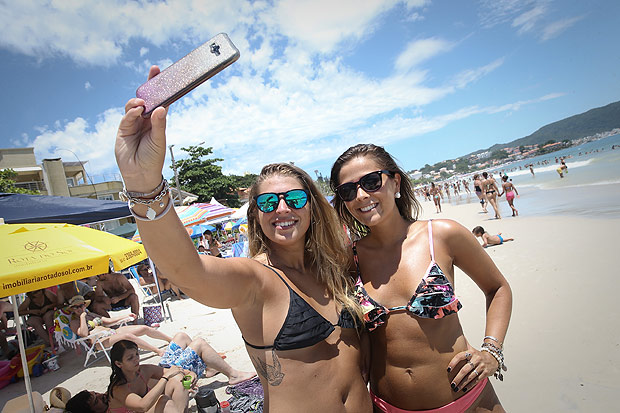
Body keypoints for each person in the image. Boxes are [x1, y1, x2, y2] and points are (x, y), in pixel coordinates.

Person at [114, 71, 372, 412]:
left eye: (294, 198)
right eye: (268, 202)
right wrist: (144, 185)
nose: (282, 208)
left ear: (311, 205)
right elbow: (186, 270)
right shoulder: (255, 280)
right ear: (257, 216)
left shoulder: (334, 265)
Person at [330, 144, 512, 413]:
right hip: (387, 406)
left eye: (371, 181)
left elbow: (497, 288)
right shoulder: (350, 259)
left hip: (467, 402)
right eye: (348, 190)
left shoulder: (441, 235)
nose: (361, 195)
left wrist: (491, 351)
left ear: (395, 182)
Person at [67, 295, 172, 356]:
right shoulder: (74, 322)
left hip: (111, 333)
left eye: (81, 305)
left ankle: (170, 339)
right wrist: (82, 316)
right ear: (72, 309)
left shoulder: (91, 314)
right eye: (75, 307)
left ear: (84, 305)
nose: (79, 308)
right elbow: (84, 334)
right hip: (98, 342)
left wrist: (125, 316)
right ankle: (157, 350)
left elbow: (108, 321)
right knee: (127, 337)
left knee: (144, 328)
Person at [107, 340, 190, 413]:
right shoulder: (118, 388)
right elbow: (143, 406)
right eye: (130, 358)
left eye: (136, 354)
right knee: (164, 401)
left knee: (178, 379)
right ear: (118, 364)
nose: (136, 359)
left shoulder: (143, 371)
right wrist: (165, 378)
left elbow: (173, 372)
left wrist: (190, 373)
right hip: (143, 408)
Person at [159, 331, 255, 385]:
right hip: (165, 381)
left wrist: (157, 350)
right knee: (199, 343)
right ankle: (234, 375)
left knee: (181, 336)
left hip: (161, 368)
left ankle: (209, 368)